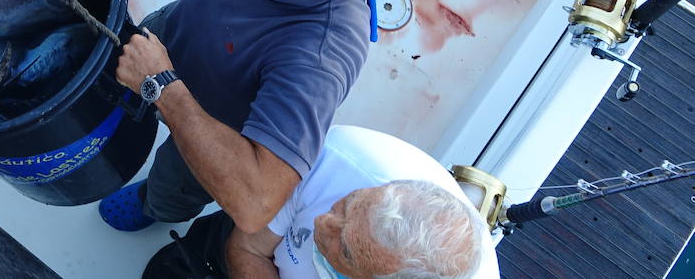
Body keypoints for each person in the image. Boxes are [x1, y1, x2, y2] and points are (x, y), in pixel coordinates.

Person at [100, 0, 426, 237]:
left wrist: (161, 86)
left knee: (174, 186)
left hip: (213, 127)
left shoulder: (319, 57)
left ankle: (153, 205)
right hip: (166, 37)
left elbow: (256, 204)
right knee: (105, 98)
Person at [142, 125, 499, 279]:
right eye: (348, 204)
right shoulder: (337, 157)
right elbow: (247, 248)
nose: (322, 223)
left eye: (346, 250)